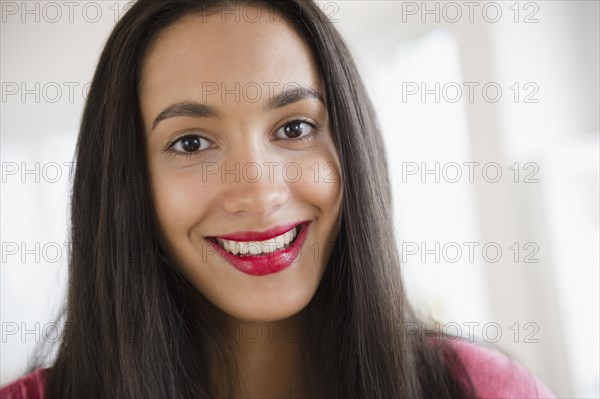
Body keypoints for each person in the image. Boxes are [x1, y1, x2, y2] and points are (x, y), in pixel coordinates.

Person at [1, 1, 555, 398]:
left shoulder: (489, 390)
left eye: (293, 128)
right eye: (191, 142)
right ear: (126, 184)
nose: (259, 194)